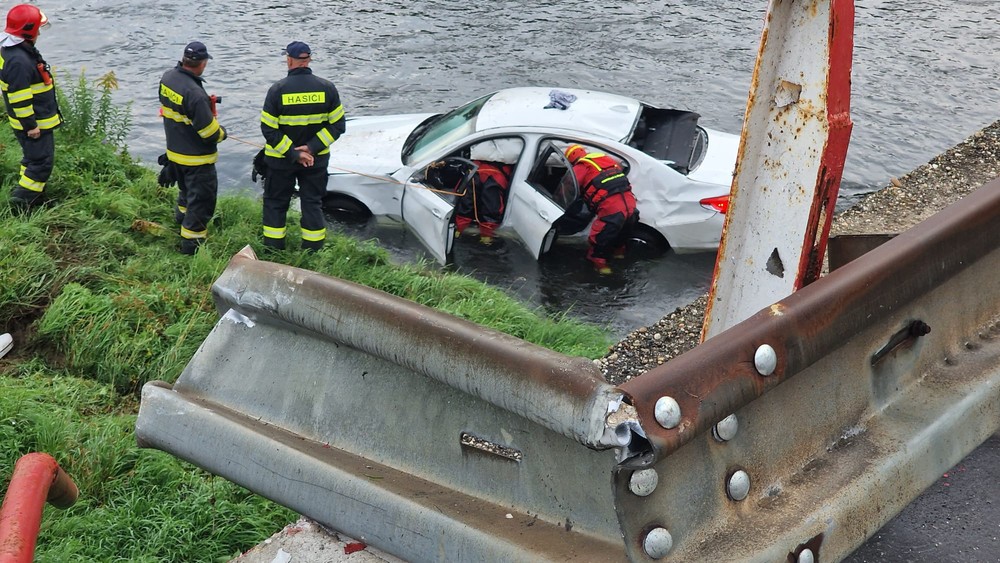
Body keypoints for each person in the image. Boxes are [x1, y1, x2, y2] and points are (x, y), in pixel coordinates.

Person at [259, 41, 345, 251]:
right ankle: (313, 250)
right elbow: (338, 125)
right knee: (312, 203)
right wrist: (311, 148)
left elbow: (269, 129)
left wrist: (294, 153)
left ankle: (273, 248)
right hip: (315, 160)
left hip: (281, 160)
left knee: (275, 203)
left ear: (289, 60)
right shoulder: (327, 88)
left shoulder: (277, 90)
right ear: (308, 60)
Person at [158, 41, 227, 255]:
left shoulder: (168, 78)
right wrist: (222, 132)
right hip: (197, 161)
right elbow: (209, 133)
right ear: (203, 63)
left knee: (186, 196)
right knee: (200, 204)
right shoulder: (195, 95)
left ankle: (180, 223)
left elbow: (175, 113)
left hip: (175, 154)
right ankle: (191, 250)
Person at [1, 4, 60, 213]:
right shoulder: (18, 60)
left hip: (32, 120)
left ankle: (35, 197)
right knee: (41, 163)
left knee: (32, 159)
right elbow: (20, 98)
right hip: (34, 123)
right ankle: (21, 205)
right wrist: (31, 126)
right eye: (38, 28)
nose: (39, 33)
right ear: (28, 31)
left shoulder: (15, 50)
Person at [564, 144, 639, 274]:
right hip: (630, 203)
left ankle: (601, 267)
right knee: (623, 232)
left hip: (612, 207)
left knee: (600, 237)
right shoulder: (605, 159)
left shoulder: (581, 166)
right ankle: (619, 255)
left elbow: (569, 186)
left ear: (571, 160)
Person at [454, 160, 511, 245]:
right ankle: (486, 238)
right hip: (494, 174)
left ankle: (458, 233)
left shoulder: (472, 171)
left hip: (476, 171)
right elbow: (493, 209)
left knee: (466, 203)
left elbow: (462, 202)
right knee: (491, 206)